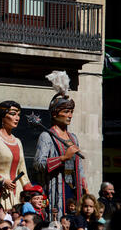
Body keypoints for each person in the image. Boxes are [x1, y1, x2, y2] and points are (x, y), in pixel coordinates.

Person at [33, 71, 88, 220]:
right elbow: (38, 164)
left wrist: (84, 184)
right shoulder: (46, 136)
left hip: (73, 188)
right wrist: (63, 158)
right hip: (55, 188)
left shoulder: (73, 137)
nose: (70, 115)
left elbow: (79, 165)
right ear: (55, 114)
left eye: (71, 112)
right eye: (66, 111)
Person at [0, 101, 33, 211]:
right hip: (0, 194)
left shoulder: (18, 142)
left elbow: (23, 172)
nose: (17, 118)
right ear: (2, 116)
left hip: (17, 195)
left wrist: (32, 191)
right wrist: (3, 180)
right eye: (13, 114)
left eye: (18, 115)